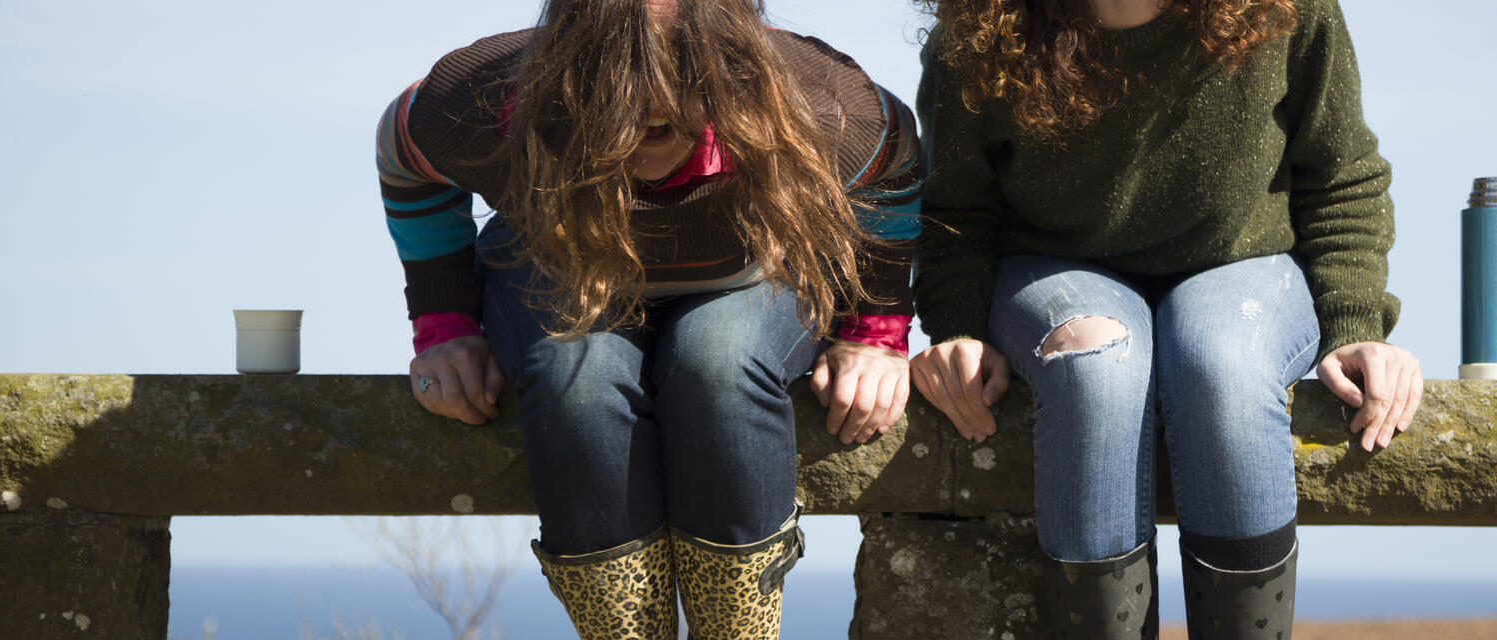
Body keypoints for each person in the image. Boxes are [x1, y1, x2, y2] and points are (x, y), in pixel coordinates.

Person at [373, 0, 923, 637]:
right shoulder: (480, 101)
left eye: (663, 119)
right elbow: (404, 151)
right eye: (609, 110)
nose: (638, 126)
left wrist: (876, 331)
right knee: (577, 382)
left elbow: (891, 160)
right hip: (564, 263)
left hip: (754, 261)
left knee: (717, 365)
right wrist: (445, 325)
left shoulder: (820, 103)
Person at [910, 0, 1422, 637]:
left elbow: (1341, 177)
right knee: (1094, 365)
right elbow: (953, 212)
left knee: (1222, 365)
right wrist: (958, 329)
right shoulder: (984, 27)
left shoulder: (1288, 10)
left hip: (1243, 264)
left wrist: (1356, 326)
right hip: (1052, 270)